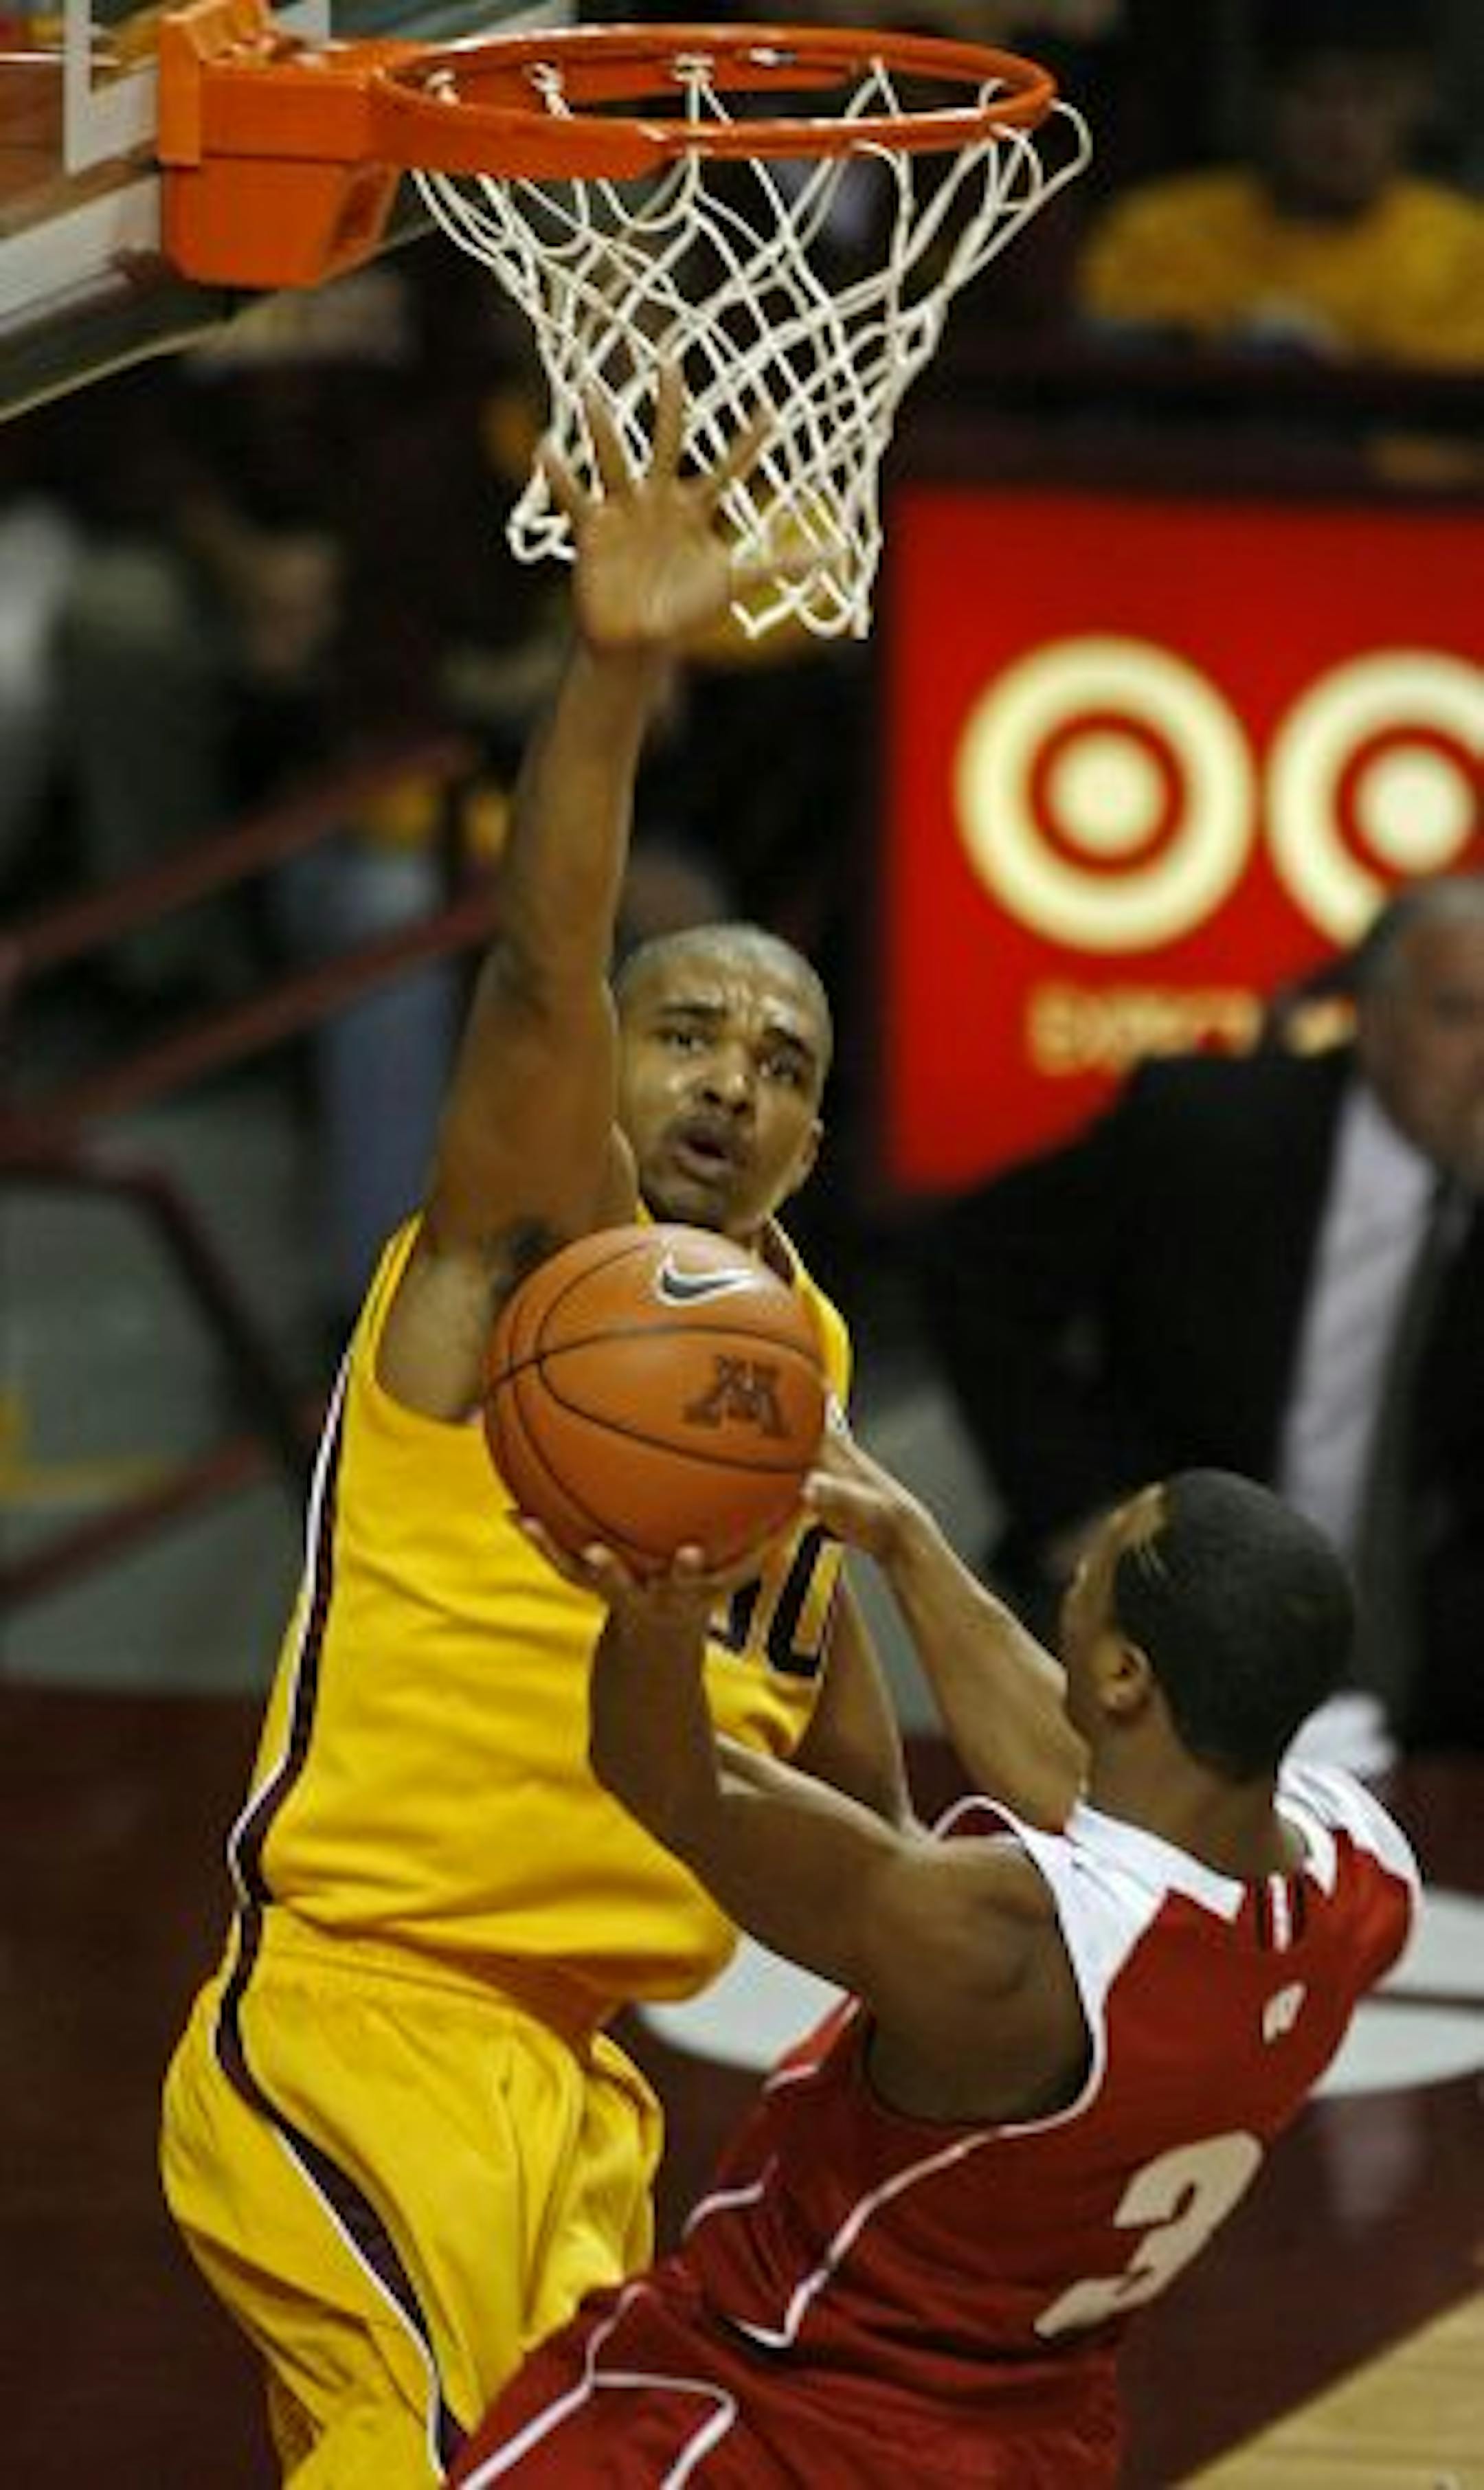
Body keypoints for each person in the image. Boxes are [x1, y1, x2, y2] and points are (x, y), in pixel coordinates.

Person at [159, 369, 908, 2487]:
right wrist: (612, 676)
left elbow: (845, 1792)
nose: (728, 1078)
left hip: (588, 2096)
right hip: (357, 2016)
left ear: (814, 1133)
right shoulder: (513, 1269)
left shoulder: (801, 1384)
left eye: (777, 1057)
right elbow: (531, 986)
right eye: (689, 1028)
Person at [449, 1434, 1418, 2487]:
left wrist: (655, 1612)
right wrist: (899, 1543)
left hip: (776, 2414)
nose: (1078, 1563)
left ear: (1126, 1673)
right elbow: (1097, 1781)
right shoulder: (1363, 1881)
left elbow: (668, 1782)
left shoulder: (998, 1949)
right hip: (1032, 2439)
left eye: (1098, 1560)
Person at [920, 872, 1484, 1756]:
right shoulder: (1210, 1127)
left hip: (1419, 1692)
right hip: (1166, 1627)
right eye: (1461, 1015)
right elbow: (972, 1263)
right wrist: (1073, 1500)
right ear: (1372, 1022)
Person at [1074, 0, 1484, 368]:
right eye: (1312, 94)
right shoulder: (1156, 231)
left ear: (1416, 103)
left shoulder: (1466, 251)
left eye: (1368, 96)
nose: (1339, 126)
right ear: (1262, 100)